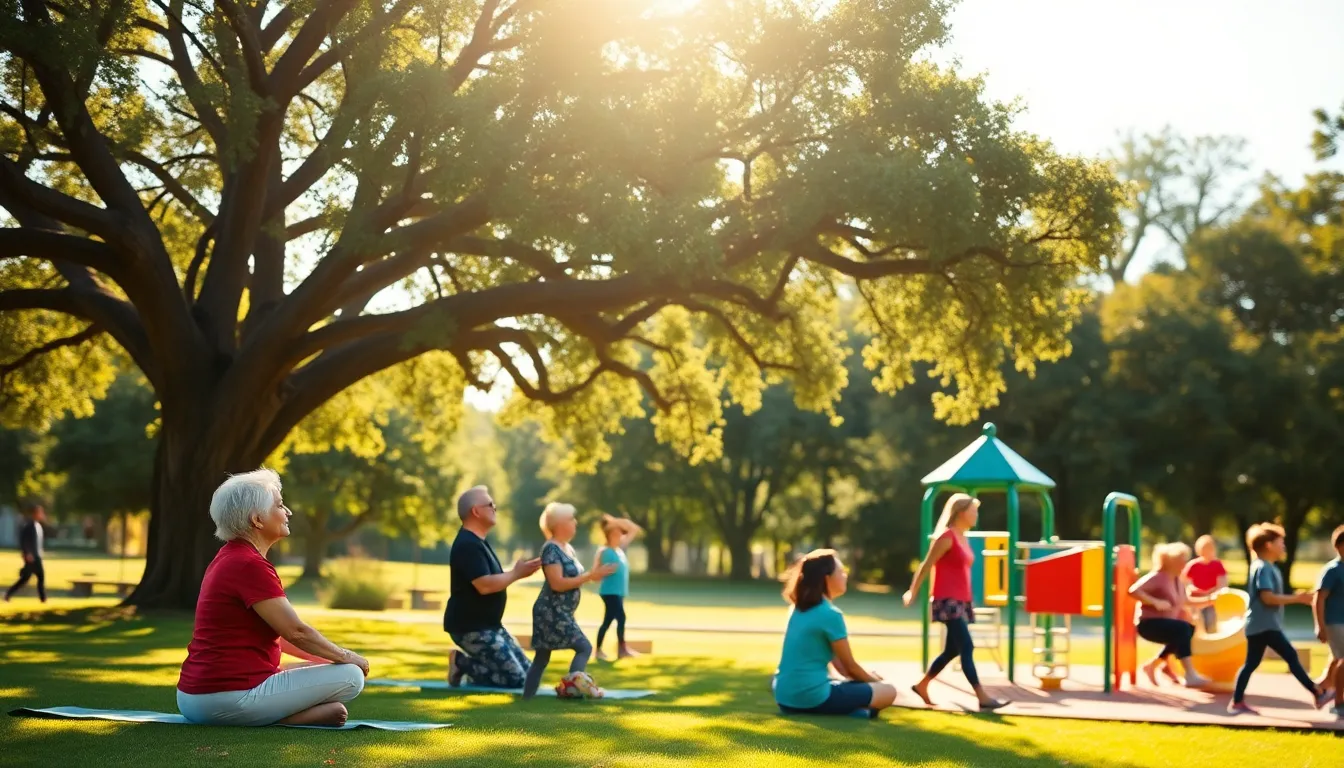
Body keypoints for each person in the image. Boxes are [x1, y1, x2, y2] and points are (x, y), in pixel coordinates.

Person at [176, 470, 370, 727]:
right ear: (257, 519)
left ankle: (278, 713)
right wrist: (346, 657)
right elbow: (296, 632)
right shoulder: (249, 565)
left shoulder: (229, 557)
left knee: (327, 670)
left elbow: (279, 635)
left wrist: (327, 660)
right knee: (351, 676)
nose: (287, 511)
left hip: (193, 698)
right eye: (279, 505)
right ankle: (286, 717)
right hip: (226, 699)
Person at [903, 494, 1007, 711]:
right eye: (973, 511)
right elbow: (926, 565)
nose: (976, 515)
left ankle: (922, 685)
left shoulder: (963, 536)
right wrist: (912, 591)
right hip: (947, 600)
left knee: (952, 650)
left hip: (961, 601)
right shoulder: (947, 537)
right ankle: (982, 697)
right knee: (967, 646)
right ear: (960, 513)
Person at [773, 549, 897, 717]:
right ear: (827, 578)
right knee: (889, 691)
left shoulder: (797, 609)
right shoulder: (830, 614)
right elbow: (850, 668)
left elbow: (842, 669)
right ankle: (857, 712)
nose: (845, 575)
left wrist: (865, 679)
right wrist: (877, 683)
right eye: (841, 571)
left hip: (785, 698)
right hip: (811, 698)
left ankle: (856, 712)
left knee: (849, 686)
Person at [1228, 522, 1333, 715]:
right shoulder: (1263, 568)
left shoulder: (1268, 567)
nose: (1284, 546)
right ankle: (1317, 693)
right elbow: (1267, 598)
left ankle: (1237, 701)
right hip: (1264, 626)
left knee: (1251, 663)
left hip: (1262, 625)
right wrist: (1298, 598)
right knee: (1291, 656)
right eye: (1280, 542)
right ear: (1268, 545)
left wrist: (1298, 598)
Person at [444, 485, 541, 689]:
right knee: (517, 680)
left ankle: (472, 671)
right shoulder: (467, 545)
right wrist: (516, 574)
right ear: (476, 511)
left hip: (490, 627)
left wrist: (518, 571)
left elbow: (490, 577)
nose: (494, 507)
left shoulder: (479, 543)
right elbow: (484, 585)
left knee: (530, 675)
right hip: (471, 629)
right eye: (490, 504)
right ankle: (461, 663)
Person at [522, 503, 618, 699]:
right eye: (570, 519)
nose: (575, 522)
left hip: (563, 611)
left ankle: (527, 698)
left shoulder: (567, 548)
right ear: (559, 524)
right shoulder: (550, 549)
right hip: (551, 611)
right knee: (583, 647)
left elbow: (576, 579)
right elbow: (557, 584)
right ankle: (571, 691)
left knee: (542, 657)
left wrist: (595, 576)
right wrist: (590, 576)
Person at [1129, 543, 1211, 688]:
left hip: (1167, 624)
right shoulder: (1158, 577)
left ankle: (1153, 665)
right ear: (1171, 562)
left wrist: (1211, 600)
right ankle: (1190, 674)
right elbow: (1133, 591)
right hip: (1148, 625)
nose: (1185, 564)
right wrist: (1155, 601)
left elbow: (1187, 601)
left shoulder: (1178, 580)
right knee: (1182, 629)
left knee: (1188, 629)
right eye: (1182, 561)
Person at [594, 514, 643, 661]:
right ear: (608, 534)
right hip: (609, 592)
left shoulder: (619, 549)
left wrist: (615, 521)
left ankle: (598, 650)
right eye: (615, 532)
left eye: (619, 532)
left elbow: (634, 528)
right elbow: (596, 572)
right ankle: (622, 649)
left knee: (608, 621)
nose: (619, 534)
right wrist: (603, 571)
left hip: (619, 592)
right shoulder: (604, 551)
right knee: (621, 617)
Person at [1312, 525, 1344, 716]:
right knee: (1343, 659)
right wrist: (1320, 625)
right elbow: (1319, 598)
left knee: (1337, 659)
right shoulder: (1332, 570)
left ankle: (1321, 688)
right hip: (1334, 622)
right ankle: (1339, 701)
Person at [1182, 534, 1228, 634]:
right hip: (1196, 599)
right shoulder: (1193, 565)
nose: (1207, 551)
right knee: (1197, 622)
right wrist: (1194, 589)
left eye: (1209, 548)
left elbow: (1222, 584)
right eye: (1204, 548)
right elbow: (1185, 582)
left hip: (1212, 599)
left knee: (1211, 622)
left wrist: (1211, 592)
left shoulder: (1217, 565)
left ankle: (1211, 640)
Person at [4, 502, 47, 603]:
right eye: (40, 512)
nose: (42, 514)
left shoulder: (38, 526)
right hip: (32, 557)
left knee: (27, 578)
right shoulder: (29, 526)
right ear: (34, 513)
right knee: (39, 577)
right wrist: (27, 553)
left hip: (37, 556)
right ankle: (43, 599)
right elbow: (24, 540)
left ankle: (8, 594)